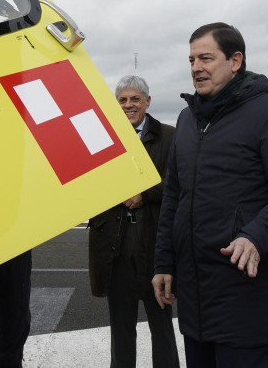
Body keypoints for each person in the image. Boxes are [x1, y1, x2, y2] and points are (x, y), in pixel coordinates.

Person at [152, 22, 268, 368]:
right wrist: (164, 262)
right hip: (195, 295)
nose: (196, 67)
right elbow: (174, 196)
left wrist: (256, 236)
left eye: (206, 58)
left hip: (245, 291)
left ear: (235, 60)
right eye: (192, 59)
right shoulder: (186, 119)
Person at [88, 75, 180, 368]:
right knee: (121, 324)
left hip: (154, 241)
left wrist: (146, 194)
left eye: (135, 99)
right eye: (122, 100)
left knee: (161, 322)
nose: (128, 105)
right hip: (115, 241)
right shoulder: (101, 137)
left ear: (148, 102)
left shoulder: (169, 136)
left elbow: (181, 184)